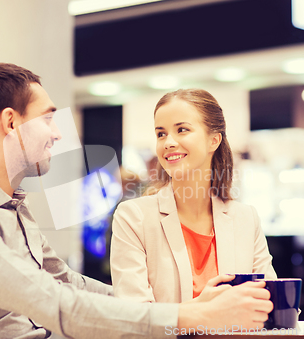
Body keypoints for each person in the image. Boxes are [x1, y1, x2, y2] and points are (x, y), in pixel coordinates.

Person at [0, 64, 273, 339]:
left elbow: (69, 284)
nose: (58, 133)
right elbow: (56, 305)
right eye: (48, 119)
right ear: (12, 123)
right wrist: (190, 317)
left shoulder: (11, 208)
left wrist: (179, 309)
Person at [110, 89, 277, 304]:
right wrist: (203, 309)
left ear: (213, 141)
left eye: (182, 130)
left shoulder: (246, 218)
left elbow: (269, 303)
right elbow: (137, 318)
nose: (168, 142)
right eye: (161, 134)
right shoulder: (133, 217)